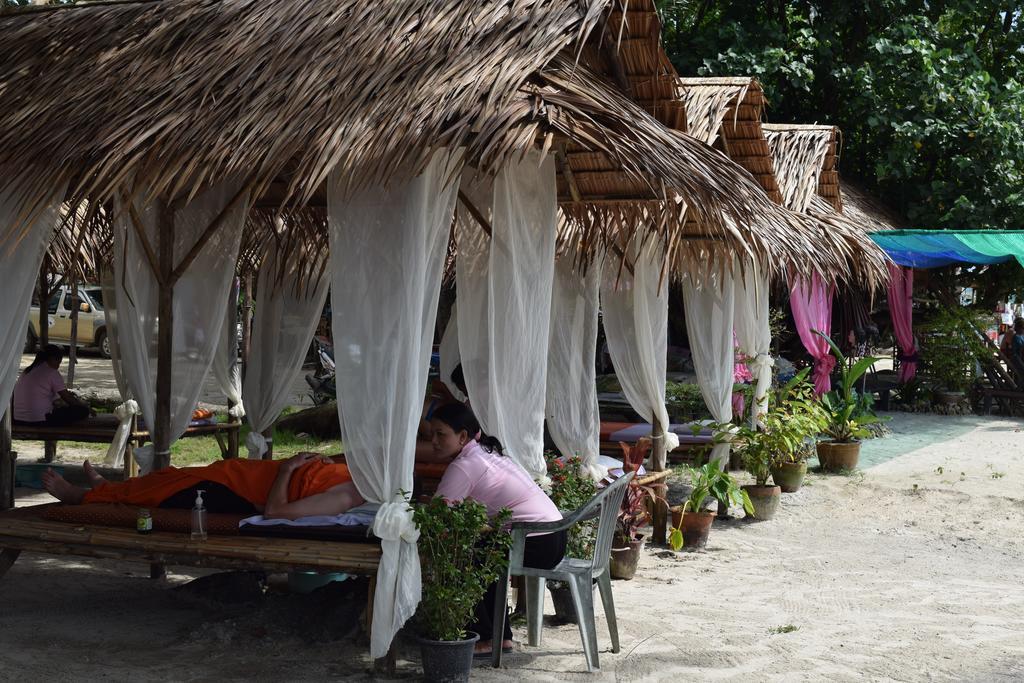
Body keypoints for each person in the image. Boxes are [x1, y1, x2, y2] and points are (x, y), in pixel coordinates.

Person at [428, 403, 565, 657]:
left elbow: (437, 518)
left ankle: (486, 636)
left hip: (535, 541)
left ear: (462, 436)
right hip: (554, 537)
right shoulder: (485, 453)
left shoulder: (464, 466)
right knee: (483, 551)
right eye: (431, 434)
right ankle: (499, 637)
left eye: (440, 434)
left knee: (462, 555)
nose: (433, 441)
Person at [41, 452, 363, 519]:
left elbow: (277, 510)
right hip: (238, 474)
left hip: (238, 494)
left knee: (162, 491)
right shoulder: (359, 474)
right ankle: (107, 488)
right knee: (167, 477)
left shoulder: (345, 497)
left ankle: (82, 497)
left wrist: (288, 469)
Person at [12, 344, 92, 427]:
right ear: (52, 359)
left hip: (18, 419)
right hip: (40, 420)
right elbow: (68, 398)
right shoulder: (51, 372)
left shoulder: (27, 371)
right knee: (82, 411)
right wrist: (84, 407)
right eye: (58, 362)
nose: (58, 366)